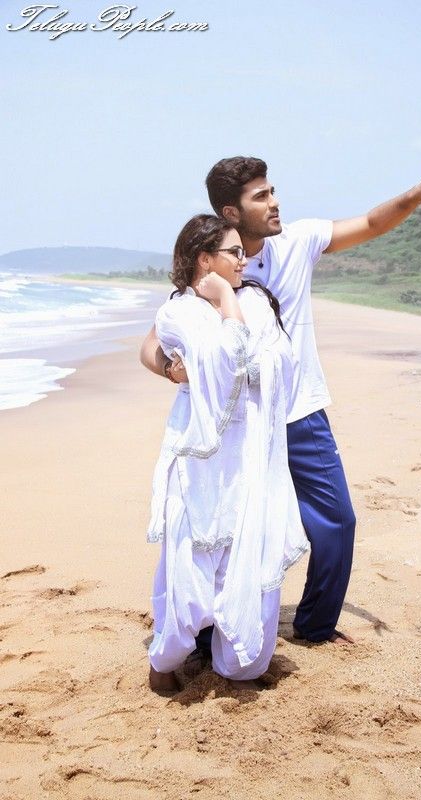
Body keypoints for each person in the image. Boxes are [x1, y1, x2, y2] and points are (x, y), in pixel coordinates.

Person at [141, 152, 421, 649]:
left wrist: (416, 195)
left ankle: (316, 625)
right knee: (224, 527)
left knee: (338, 521)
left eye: (273, 191)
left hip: (299, 411)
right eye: (261, 196)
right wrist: (171, 369)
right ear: (231, 212)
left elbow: (371, 223)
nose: (275, 202)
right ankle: (204, 633)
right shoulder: (214, 268)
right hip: (236, 425)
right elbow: (152, 345)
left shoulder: (298, 242)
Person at [147, 214, 309, 692]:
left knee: (248, 555)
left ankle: (239, 663)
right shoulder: (178, 313)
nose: (244, 260)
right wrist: (223, 302)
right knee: (191, 568)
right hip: (199, 458)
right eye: (234, 252)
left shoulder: (256, 301)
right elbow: (231, 362)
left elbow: (279, 360)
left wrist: (231, 306)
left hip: (251, 452)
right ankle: (165, 660)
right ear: (205, 259)